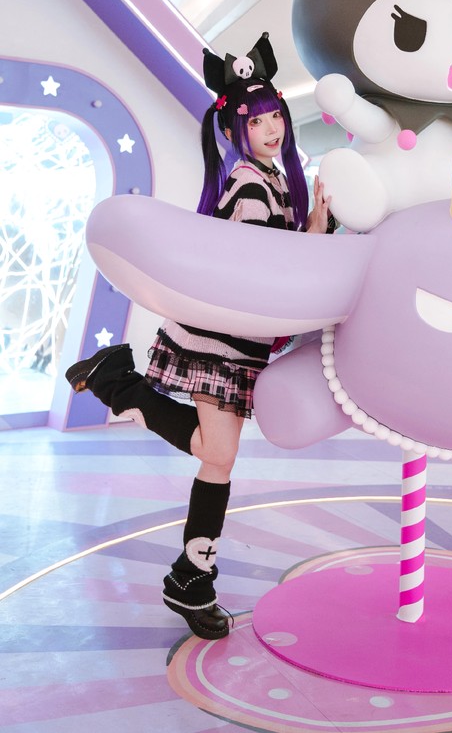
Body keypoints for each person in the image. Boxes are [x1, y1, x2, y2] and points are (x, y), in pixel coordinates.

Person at [65, 33, 332, 641]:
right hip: (220, 342)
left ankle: (190, 575)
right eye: (255, 121)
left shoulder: (272, 177)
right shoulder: (251, 184)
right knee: (220, 455)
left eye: (273, 115)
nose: (270, 128)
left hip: (238, 340)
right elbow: (266, 268)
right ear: (235, 129)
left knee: (217, 455)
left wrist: (315, 223)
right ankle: (118, 386)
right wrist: (314, 235)